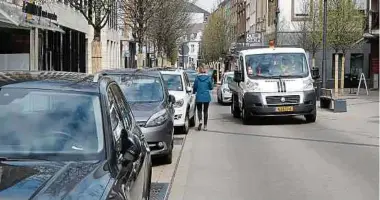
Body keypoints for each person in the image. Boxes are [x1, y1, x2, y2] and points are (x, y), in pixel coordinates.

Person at [193, 65, 213, 131]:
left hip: (199, 96)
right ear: (205, 70)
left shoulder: (197, 78)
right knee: (205, 111)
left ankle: (200, 121)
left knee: (199, 110)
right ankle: (205, 126)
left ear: (199, 71)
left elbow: (195, 87)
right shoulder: (208, 78)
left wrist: (194, 92)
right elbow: (211, 87)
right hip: (206, 96)